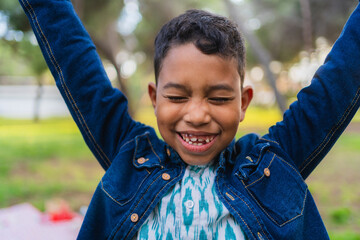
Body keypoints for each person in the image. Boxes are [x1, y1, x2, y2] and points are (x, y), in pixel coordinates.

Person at [18, 0, 360, 239]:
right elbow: (73, 58)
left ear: (243, 103)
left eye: (220, 98)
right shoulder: (129, 155)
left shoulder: (273, 164)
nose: (197, 115)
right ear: (154, 99)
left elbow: (341, 77)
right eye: (177, 97)